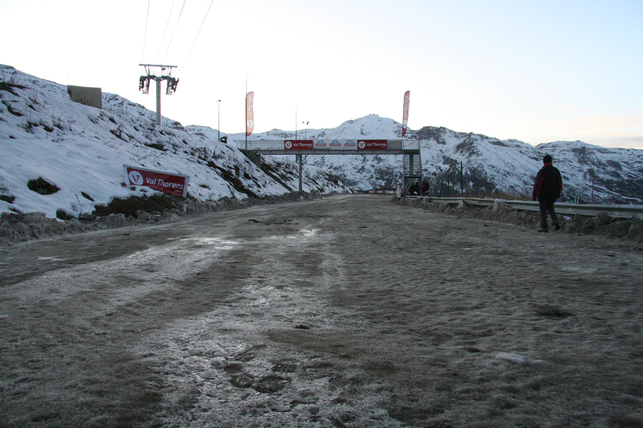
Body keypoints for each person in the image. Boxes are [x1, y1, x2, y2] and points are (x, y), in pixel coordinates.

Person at [532, 154, 563, 232]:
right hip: (553, 194)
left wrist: (535, 195)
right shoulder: (556, 171)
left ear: (544, 162)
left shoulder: (543, 171)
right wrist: (558, 194)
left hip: (543, 194)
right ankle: (555, 220)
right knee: (551, 208)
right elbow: (559, 184)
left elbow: (539, 184)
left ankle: (544, 227)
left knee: (543, 210)